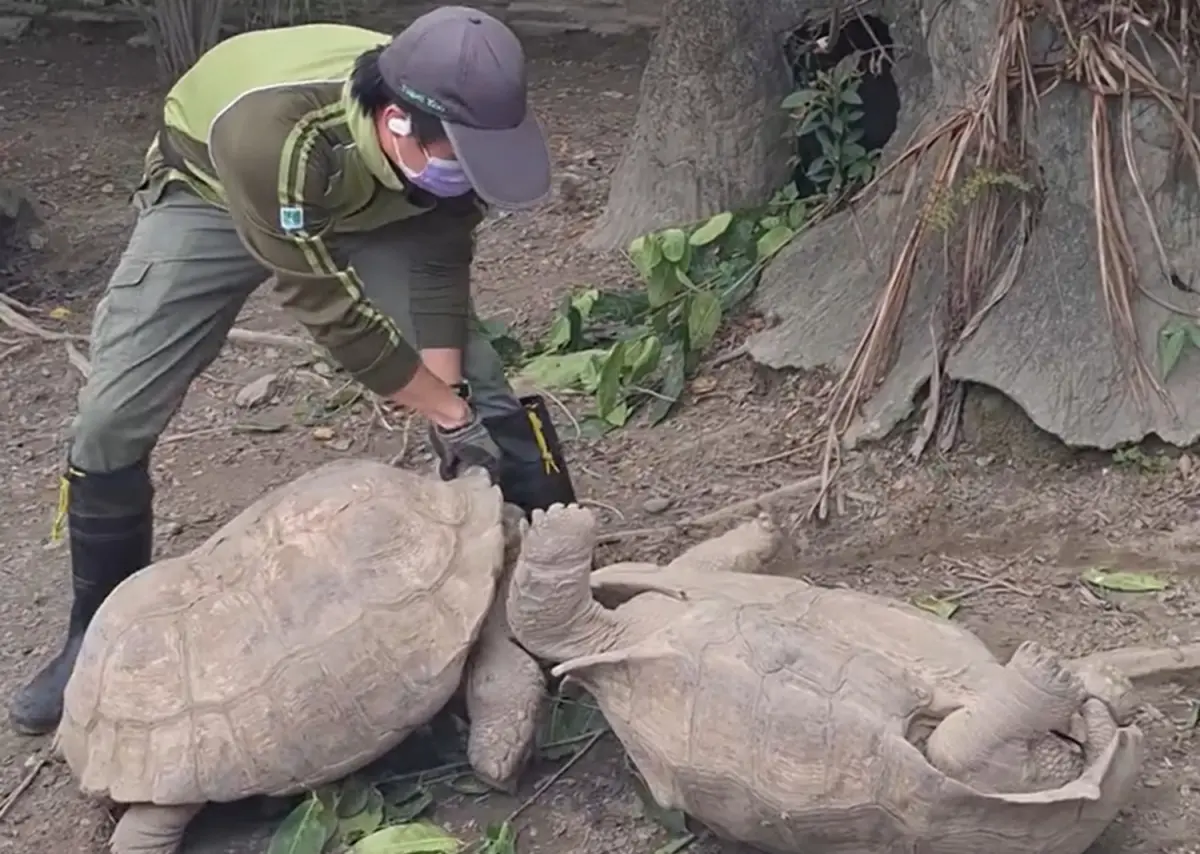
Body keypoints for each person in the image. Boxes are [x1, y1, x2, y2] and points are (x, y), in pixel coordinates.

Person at [9, 7, 577, 736]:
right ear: (398, 122)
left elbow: (437, 269)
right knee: (111, 418)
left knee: (487, 389)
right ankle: (95, 638)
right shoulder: (272, 132)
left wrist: (456, 404)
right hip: (216, 194)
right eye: (457, 159)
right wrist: (442, 411)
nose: (467, 175)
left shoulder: (455, 137)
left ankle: (542, 588)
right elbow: (328, 308)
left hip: (384, 203)